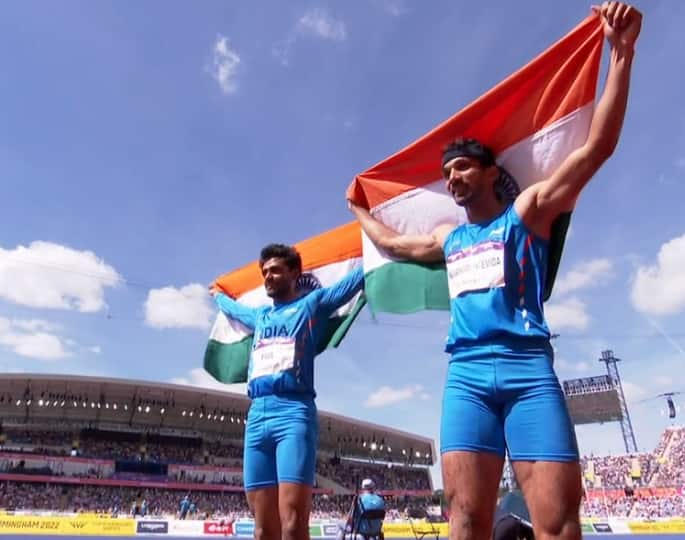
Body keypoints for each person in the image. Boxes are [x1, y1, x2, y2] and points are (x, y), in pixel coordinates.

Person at [349, 4, 641, 539]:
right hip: (465, 377)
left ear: (490, 173)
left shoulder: (528, 213)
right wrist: (358, 208)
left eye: (462, 167)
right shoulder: (448, 238)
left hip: (527, 368)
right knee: (464, 521)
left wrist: (621, 53)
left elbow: (596, 149)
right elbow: (391, 243)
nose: (452, 178)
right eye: (446, 173)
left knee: (558, 524)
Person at [210, 243, 364, 540]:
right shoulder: (260, 317)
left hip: (293, 413)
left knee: (292, 524)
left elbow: (353, 282)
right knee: (262, 530)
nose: (268, 276)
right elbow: (233, 309)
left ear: (294, 273)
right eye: (264, 272)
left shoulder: (311, 304)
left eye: (275, 270)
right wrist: (218, 295)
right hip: (257, 417)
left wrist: (376, 248)